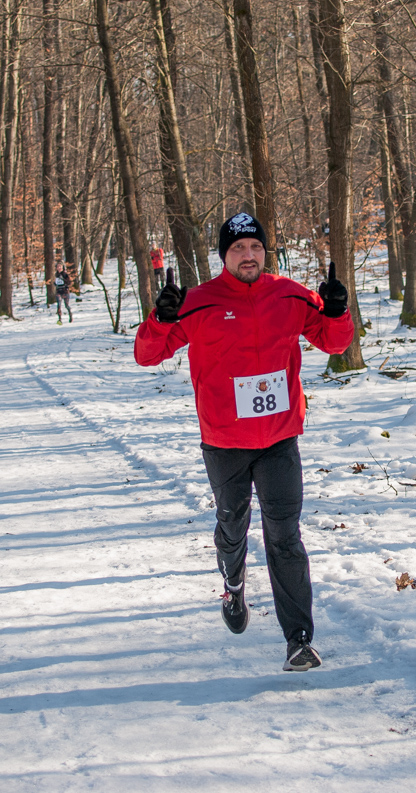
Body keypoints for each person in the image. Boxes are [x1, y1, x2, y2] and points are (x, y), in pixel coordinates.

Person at [134, 212, 351, 672]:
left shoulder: (289, 294)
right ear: (224, 256)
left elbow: (333, 344)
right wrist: (160, 317)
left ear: (264, 252)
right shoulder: (198, 301)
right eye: (237, 249)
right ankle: (233, 584)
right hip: (225, 441)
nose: (247, 255)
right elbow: (147, 354)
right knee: (233, 527)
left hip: (278, 439)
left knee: (284, 536)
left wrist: (336, 311)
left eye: (254, 247)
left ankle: (298, 639)